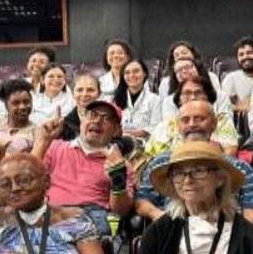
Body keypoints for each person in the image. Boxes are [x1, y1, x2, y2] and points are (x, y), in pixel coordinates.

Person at [137, 101, 253, 227]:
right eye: (185, 120)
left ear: (214, 124)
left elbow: (252, 215)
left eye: (200, 119)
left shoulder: (240, 168)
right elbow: (142, 202)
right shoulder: (161, 163)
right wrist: (165, 222)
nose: (192, 125)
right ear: (177, 127)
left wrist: (231, 235)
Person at [32, 100, 134, 236]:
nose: (97, 121)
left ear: (116, 130)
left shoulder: (120, 164)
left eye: (105, 117)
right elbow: (26, 177)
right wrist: (43, 141)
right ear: (82, 122)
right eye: (92, 114)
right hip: (52, 214)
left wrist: (117, 178)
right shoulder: (55, 147)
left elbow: (121, 211)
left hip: (92, 217)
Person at [154, 75, 240, 156]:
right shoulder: (166, 126)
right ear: (179, 99)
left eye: (198, 93)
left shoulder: (221, 121)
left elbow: (230, 151)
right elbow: (150, 157)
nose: (193, 97)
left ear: (208, 97)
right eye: (187, 93)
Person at [160, 60, 234, 132]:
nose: (184, 71)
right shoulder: (169, 101)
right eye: (179, 70)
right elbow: (170, 130)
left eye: (187, 67)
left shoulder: (220, 96)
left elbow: (227, 129)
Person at [0, 79, 38, 157]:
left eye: (26, 102)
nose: (22, 107)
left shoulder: (37, 133)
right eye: (16, 103)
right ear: (6, 106)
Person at [113, 59, 161, 140]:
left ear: (144, 74)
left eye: (136, 71)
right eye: (127, 73)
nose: (131, 75)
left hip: (145, 144)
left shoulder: (155, 100)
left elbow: (157, 126)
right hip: (120, 142)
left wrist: (141, 132)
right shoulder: (116, 99)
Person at [159, 40, 223, 98]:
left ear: (193, 55)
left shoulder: (212, 77)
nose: (181, 56)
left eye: (184, 53)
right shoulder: (165, 83)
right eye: (176, 55)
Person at [221, 36, 253, 112]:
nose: (245, 57)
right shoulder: (230, 79)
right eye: (241, 54)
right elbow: (225, 107)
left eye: (250, 53)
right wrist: (247, 109)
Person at [58, 74, 101, 141]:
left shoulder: (109, 119)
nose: (84, 94)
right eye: (79, 90)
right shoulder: (66, 123)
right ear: (73, 93)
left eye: (90, 90)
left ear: (99, 93)